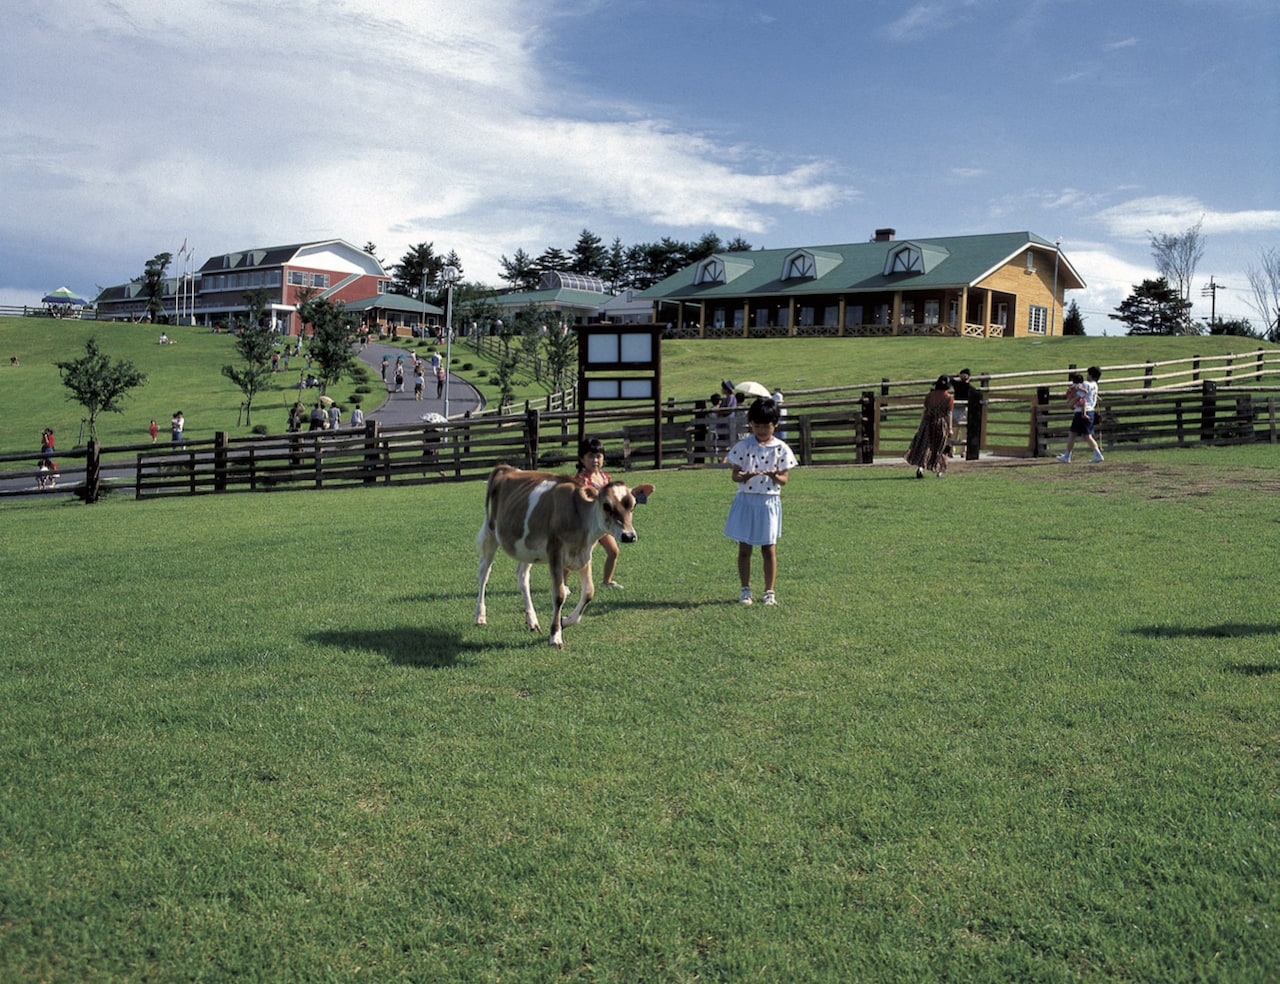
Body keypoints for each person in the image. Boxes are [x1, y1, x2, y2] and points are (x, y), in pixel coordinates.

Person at [723, 398, 797, 606]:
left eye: (766, 426)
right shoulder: (743, 446)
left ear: (775, 425)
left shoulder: (781, 449)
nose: (762, 430)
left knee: (768, 548)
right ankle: (745, 590)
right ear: (751, 424)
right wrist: (744, 477)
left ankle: (769, 592)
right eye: (757, 425)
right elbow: (735, 475)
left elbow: (784, 480)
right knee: (744, 548)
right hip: (746, 500)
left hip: (768, 502)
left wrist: (774, 476)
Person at [575, 437, 626, 589]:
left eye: (598, 456)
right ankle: (562, 583)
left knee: (613, 551)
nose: (595, 460)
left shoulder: (605, 477)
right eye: (590, 456)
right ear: (582, 459)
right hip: (588, 525)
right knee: (579, 556)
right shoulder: (581, 480)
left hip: (604, 522)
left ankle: (607, 581)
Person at [904, 376, 954, 478]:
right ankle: (940, 470)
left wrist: (921, 425)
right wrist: (950, 428)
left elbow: (925, 411)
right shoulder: (948, 398)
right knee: (940, 447)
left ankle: (921, 467)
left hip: (927, 422)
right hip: (940, 424)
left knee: (926, 445)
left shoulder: (929, 396)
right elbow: (949, 414)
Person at [1058, 365, 1104, 463]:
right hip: (1090, 410)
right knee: (1080, 434)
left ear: (1090, 375)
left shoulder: (1086, 384)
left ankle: (1097, 454)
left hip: (1081, 412)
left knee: (1081, 435)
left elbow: (1079, 397)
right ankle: (1067, 455)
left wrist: (1070, 404)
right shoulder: (1095, 385)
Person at [949, 368, 972, 456]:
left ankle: (952, 450)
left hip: (957, 408)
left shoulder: (958, 384)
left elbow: (948, 378)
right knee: (963, 431)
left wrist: (955, 375)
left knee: (956, 430)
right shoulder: (969, 386)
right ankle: (963, 451)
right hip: (963, 409)